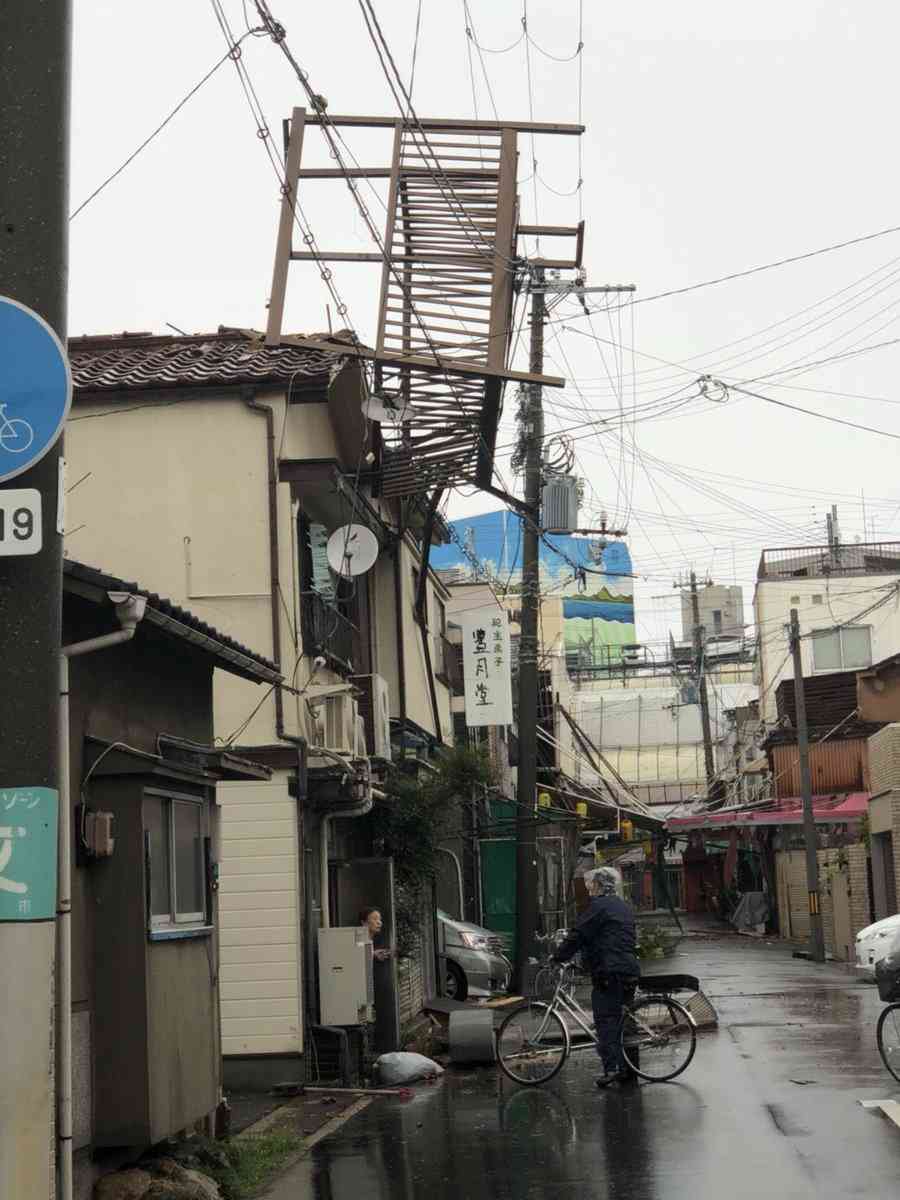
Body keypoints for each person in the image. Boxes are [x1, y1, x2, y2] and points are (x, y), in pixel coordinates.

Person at [552, 866, 641, 1089]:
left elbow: (579, 934)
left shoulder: (598, 907)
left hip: (609, 970)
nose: (591, 889)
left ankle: (612, 1068)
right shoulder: (623, 906)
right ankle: (630, 1069)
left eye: (593, 885)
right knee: (625, 1020)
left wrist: (558, 957)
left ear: (600, 886)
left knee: (606, 1020)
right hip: (628, 968)